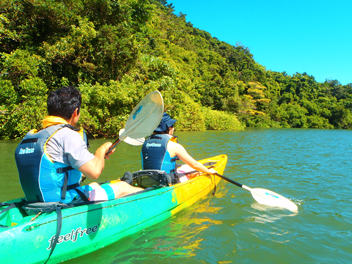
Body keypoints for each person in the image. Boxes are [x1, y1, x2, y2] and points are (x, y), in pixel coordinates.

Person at [15, 86, 143, 204]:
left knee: (94, 185)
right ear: (75, 112)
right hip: (61, 203)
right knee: (123, 187)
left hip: (36, 202)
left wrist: (96, 158)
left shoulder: (32, 136)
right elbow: (95, 172)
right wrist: (100, 151)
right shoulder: (67, 134)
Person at [141, 112, 217, 183]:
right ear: (166, 128)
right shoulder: (173, 145)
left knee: (181, 167)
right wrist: (209, 171)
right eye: (171, 126)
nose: (173, 128)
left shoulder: (145, 143)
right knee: (197, 171)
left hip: (148, 181)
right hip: (166, 182)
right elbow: (195, 165)